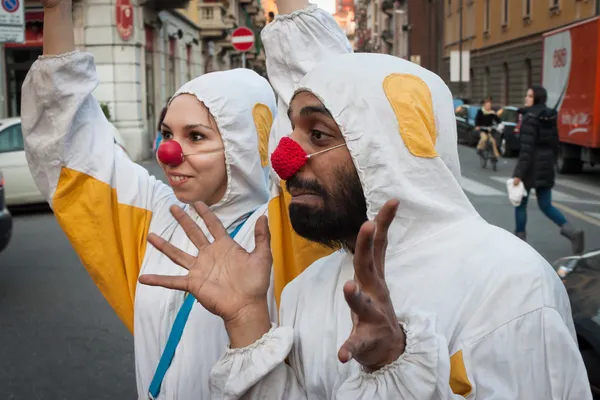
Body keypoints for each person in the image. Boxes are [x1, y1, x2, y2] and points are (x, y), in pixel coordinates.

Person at [139, 3, 591, 399]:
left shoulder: (509, 283)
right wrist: (246, 320)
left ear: (382, 150)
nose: (284, 159)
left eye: (317, 135)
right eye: (292, 131)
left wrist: (395, 367)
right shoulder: (305, 289)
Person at [20, 0, 279, 398]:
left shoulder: (283, 232)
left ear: (244, 146)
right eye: (167, 133)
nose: (169, 153)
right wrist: (57, 10)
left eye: (196, 136)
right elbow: (73, 143)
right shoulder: (159, 211)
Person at [512, 86, 585, 253]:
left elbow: (527, 149)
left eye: (529, 96)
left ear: (536, 98)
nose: (526, 98)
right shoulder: (550, 117)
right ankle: (572, 232)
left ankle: (519, 241)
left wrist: (518, 174)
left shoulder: (529, 118)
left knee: (520, 204)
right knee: (546, 205)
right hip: (546, 166)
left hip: (530, 168)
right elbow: (555, 144)